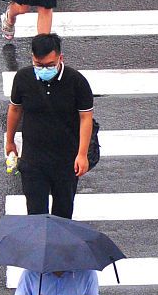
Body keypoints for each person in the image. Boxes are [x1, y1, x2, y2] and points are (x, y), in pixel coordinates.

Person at [6, 33, 95, 219]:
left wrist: (82, 154)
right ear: (32, 58)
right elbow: (15, 109)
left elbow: (86, 118)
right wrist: (10, 141)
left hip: (65, 160)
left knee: (63, 214)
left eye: (49, 64)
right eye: (39, 65)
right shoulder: (23, 78)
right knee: (36, 215)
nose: (44, 69)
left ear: (60, 58)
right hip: (33, 159)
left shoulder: (77, 82)